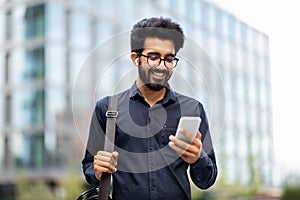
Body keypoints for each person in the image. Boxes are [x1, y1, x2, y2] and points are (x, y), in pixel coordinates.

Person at [82, 17, 217, 200]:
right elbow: (89, 168)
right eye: (153, 57)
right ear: (135, 59)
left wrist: (197, 158)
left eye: (169, 59)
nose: (161, 66)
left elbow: (207, 180)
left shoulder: (193, 109)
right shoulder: (106, 109)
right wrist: (97, 170)